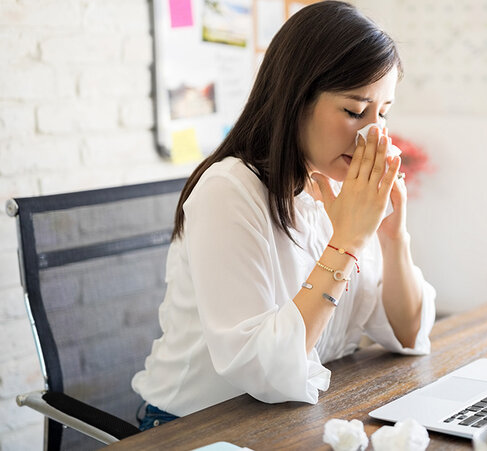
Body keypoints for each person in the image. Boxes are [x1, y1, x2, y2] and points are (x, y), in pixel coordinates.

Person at [132, 1, 436, 431]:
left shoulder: (339, 187)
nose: (374, 133)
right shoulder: (229, 191)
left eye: (382, 112)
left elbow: (407, 333)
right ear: (295, 99)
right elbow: (262, 371)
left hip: (293, 420)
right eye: (355, 111)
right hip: (193, 427)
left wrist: (392, 234)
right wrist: (346, 242)